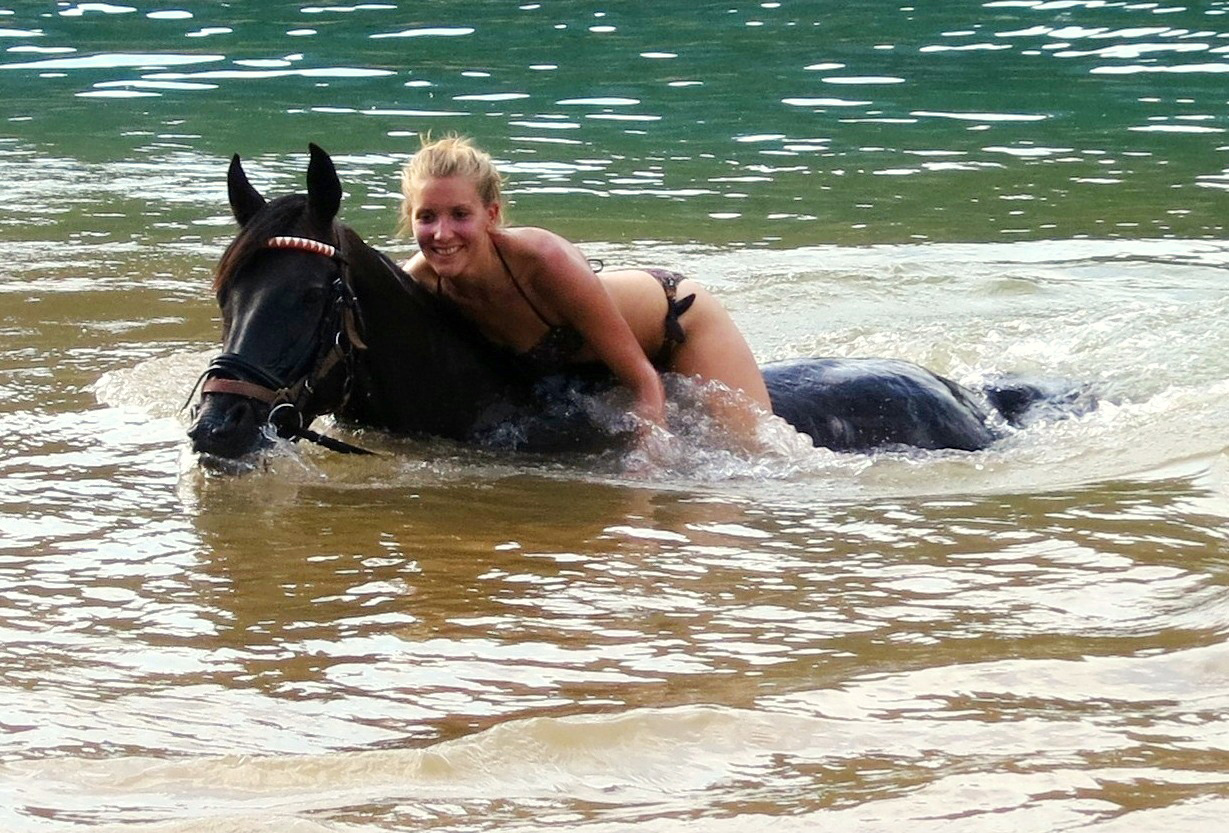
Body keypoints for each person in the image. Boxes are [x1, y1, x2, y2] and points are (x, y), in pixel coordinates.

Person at [398, 134, 772, 437]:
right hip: (595, 369)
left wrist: (648, 468)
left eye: (460, 214)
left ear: (491, 215)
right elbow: (356, 302)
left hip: (680, 323)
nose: (441, 233)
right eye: (426, 217)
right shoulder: (418, 281)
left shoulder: (544, 261)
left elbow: (643, 381)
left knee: (754, 453)